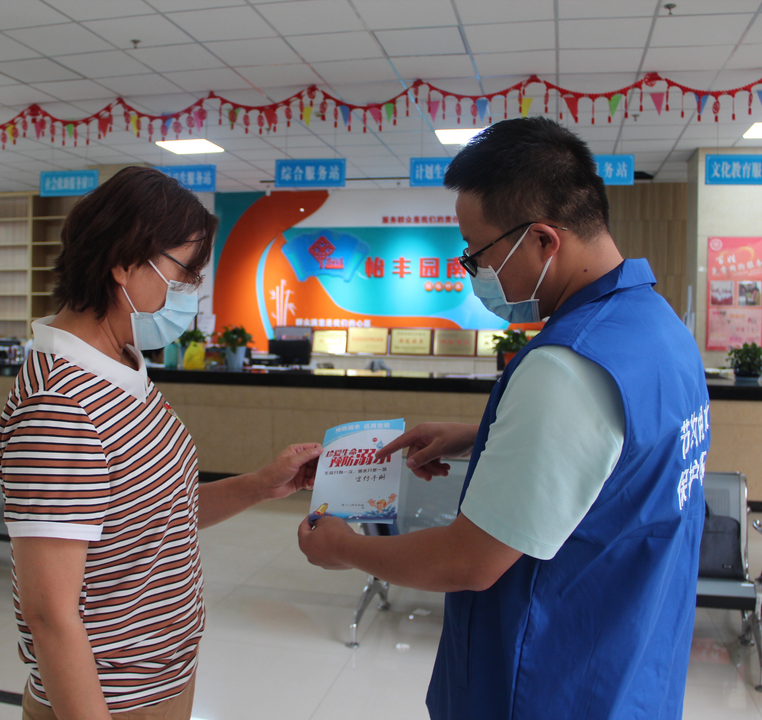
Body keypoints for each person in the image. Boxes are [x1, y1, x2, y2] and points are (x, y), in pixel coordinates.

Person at [298, 118, 709, 720]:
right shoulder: (658, 327)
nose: (474, 272)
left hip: (547, 680)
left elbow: (468, 562)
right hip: (630, 663)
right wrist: (481, 437)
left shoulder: (568, 364)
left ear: (543, 240)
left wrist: (347, 549)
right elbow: (622, 460)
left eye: (478, 254)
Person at [0, 167, 321, 720]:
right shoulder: (59, 407)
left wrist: (258, 486)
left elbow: (156, 513)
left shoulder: (121, 365)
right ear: (124, 263)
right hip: (110, 698)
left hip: (163, 678)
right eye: (185, 271)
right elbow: (49, 614)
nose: (194, 289)